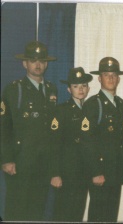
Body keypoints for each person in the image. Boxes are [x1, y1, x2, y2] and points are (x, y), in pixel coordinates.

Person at [0, 41, 58, 221]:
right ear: (25, 64)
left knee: (37, 209)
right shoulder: (14, 89)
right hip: (20, 161)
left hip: (43, 163)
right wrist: (7, 159)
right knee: (17, 210)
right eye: (33, 61)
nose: (38, 65)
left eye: (41, 61)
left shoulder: (50, 89)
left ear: (46, 64)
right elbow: (4, 126)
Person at [80, 57, 123, 222]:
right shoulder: (93, 104)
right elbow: (86, 141)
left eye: (114, 75)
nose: (111, 78)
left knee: (111, 216)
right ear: (99, 78)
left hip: (116, 171)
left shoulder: (122, 104)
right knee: (98, 216)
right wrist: (95, 172)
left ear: (119, 78)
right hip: (100, 172)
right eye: (106, 75)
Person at [49, 67, 92, 221]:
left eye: (83, 86)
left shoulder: (90, 109)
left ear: (88, 88)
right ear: (68, 89)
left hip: (83, 173)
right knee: (63, 213)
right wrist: (55, 173)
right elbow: (54, 144)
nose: (80, 89)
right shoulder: (61, 111)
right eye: (75, 86)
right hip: (66, 173)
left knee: (77, 213)